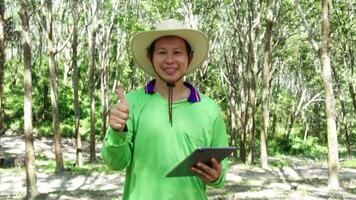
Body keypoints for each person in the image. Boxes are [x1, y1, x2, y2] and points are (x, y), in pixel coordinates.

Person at [101, 19, 229, 200]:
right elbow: (115, 162)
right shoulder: (131, 103)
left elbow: (221, 172)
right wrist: (117, 131)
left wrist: (217, 177)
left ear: (189, 57)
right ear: (149, 57)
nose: (170, 60)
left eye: (177, 52)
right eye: (162, 52)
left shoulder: (209, 109)